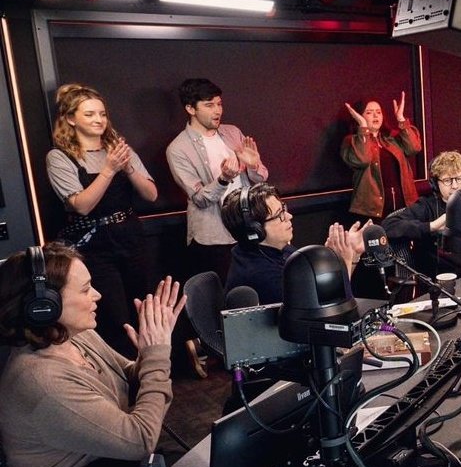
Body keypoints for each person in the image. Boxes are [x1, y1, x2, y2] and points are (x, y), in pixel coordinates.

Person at [0, 243, 185, 467]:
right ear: (44, 306)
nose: (97, 295)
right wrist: (157, 355)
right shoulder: (42, 380)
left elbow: (130, 378)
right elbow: (140, 440)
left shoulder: (73, 335)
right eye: (85, 290)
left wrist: (152, 350)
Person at [46, 83, 158, 356]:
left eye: (102, 114)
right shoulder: (59, 157)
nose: (99, 120)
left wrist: (127, 166)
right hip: (95, 246)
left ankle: (155, 367)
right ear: (70, 119)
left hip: (131, 235)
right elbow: (82, 206)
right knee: (114, 315)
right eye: (89, 114)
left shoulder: (119, 149)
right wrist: (108, 170)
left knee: (143, 306)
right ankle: (125, 374)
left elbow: (151, 194)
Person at [166, 77, 269, 284]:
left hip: (248, 226)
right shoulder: (178, 149)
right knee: (223, 296)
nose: (217, 111)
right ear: (190, 108)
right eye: (209, 105)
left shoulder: (232, 132)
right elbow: (200, 199)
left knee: (255, 288)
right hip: (213, 237)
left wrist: (253, 165)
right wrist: (223, 179)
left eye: (219, 104)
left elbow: (262, 178)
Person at [220, 183, 366, 304]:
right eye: (279, 215)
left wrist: (347, 256)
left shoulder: (280, 250)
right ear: (255, 230)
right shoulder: (262, 276)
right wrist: (344, 261)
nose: (289, 216)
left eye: (284, 209)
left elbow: (324, 292)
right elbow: (331, 312)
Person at [382, 150, 461, 285]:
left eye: (459, 179)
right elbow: (388, 225)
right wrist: (431, 226)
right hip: (437, 283)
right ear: (436, 183)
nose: (455, 186)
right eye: (447, 180)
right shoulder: (426, 206)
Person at [340, 92, 422, 223]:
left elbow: (414, 148)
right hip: (373, 211)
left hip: (403, 205)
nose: (375, 115)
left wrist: (401, 119)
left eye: (378, 112)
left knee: (404, 242)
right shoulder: (352, 141)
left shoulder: (392, 138)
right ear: (359, 116)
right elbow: (363, 159)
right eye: (369, 112)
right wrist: (363, 126)